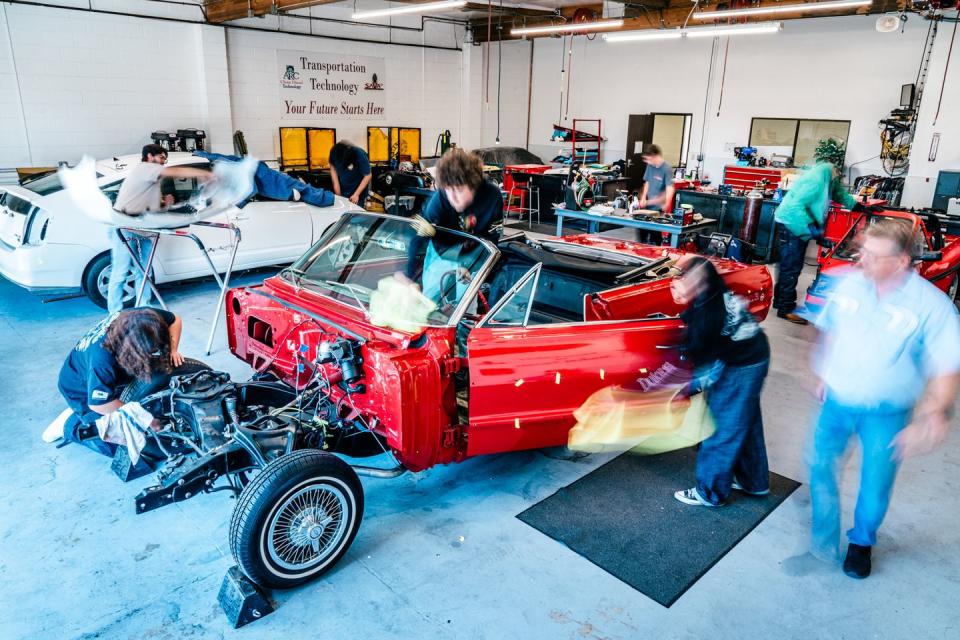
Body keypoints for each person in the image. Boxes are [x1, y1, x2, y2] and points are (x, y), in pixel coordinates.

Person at [808, 218, 960, 579]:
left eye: (874, 256)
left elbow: (946, 367)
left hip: (887, 412)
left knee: (875, 483)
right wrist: (823, 372)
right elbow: (828, 329)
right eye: (862, 252)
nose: (863, 261)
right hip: (838, 401)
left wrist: (935, 412)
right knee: (820, 466)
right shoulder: (847, 285)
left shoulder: (933, 306)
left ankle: (861, 542)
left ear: (902, 261)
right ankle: (825, 534)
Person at [670, 256, 772, 507]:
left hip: (741, 365)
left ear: (698, 284)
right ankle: (754, 482)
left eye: (683, 279)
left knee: (721, 426)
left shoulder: (708, 316)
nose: (677, 283)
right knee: (743, 421)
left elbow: (708, 369)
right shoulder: (714, 294)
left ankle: (710, 492)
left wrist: (678, 389)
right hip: (755, 356)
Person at [51, 308, 185, 456]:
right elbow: (100, 404)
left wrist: (172, 350)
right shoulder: (101, 361)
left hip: (110, 373)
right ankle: (69, 424)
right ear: (133, 349)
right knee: (124, 446)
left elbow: (175, 320)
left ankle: (110, 394)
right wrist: (144, 418)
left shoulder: (146, 318)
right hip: (79, 387)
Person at [107, 144, 213, 313]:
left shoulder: (152, 180)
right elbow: (175, 172)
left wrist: (166, 203)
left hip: (144, 227)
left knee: (145, 272)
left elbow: (154, 208)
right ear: (150, 156)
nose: (164, 162)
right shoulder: (145, 169)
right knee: (120, 272)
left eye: (165, 158)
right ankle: (114, 313)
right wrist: (205, 174)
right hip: (125, 226)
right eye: (162, 157)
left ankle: (144, 308)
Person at [400, 148, 503, 302]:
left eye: (459, 190)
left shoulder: (492, 196)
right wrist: (409, 278)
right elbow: (417, 237)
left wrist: (472, 266)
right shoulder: (439, 200)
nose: (453, 197)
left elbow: (492, 238)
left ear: (473, 185)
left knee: (466, 303)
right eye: (449, 190)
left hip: (473, 253)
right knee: (429, 299)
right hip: (442, 250)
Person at [772, 162, 862, 325]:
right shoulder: (816, 181)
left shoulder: (827, 179)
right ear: (832, 170)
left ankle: (779, 301)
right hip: (791, 222)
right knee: (791, 266)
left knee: (787, 263)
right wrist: (811, 229)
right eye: (838, 172)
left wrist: (856, 206)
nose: (839, 176)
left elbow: (838, 194)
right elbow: (795, 206)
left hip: (792, 221)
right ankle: (785, 309)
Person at [638, 145, 675, 245]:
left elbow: (669, 188)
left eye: (648, 159)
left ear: (654, 156)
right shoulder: (650, 166)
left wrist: (667, 203)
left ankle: (657, 252)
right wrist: (643, 197)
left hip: (658, 208)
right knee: (642, 233)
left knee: (655, 234)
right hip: (648, 205)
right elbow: (647, 182)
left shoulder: (666, 169)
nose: (646, 161)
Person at [329, 141, 372, 207]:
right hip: (344, 190)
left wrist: (356, 194)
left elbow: (368, 175)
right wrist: (339, 197)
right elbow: (335, 179)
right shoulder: (334, 155)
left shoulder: (359, 154)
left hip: (358, 191)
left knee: (357, 213)